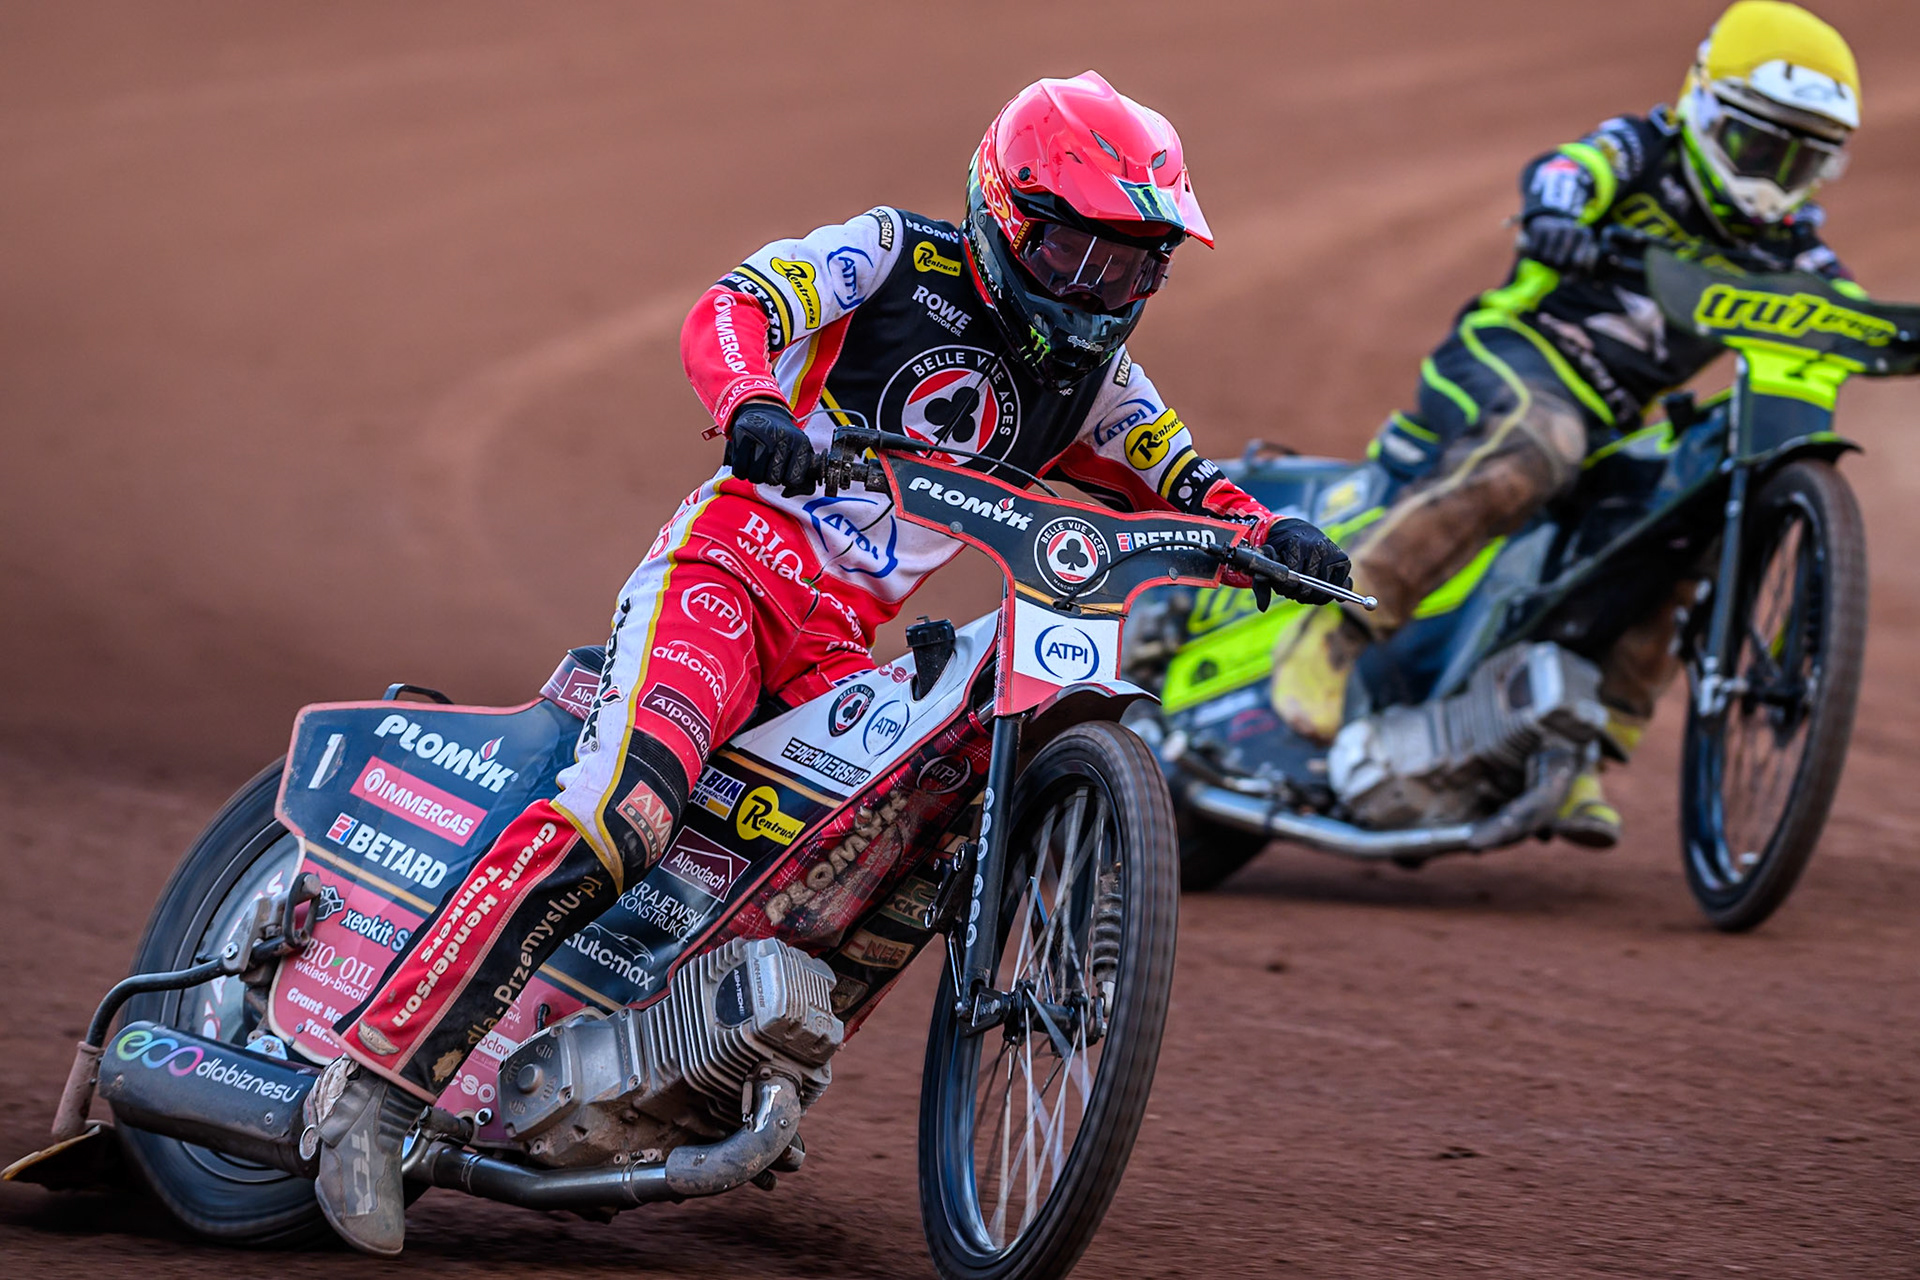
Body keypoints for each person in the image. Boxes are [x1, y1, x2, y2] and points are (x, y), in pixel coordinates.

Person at [306, 70, 1350, 1254]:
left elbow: (1186, 478)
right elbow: (737, 304)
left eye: (1134, 265)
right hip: (731, 570)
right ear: (1009, 218)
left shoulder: (1094, 382)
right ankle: (373, 1085)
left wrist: (1270, 535)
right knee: (627, 814)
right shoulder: (894, 256)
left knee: (886, 838)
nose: (1104, 288)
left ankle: (707, 1059)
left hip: (835, 644)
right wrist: (751, 400)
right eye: (1081, 252)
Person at [1269, 0, 1864, 846]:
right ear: (1704, 106)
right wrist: (1559, 219)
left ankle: (1578, 739)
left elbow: (1847, 309)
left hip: (1617, 422)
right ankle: (1334, 628)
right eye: (1759, 145)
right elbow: (1565, 171)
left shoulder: (1792, 243)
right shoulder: (1645, 151)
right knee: (1540, 448)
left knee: (1686, 506)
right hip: (1514, 358)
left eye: (1804, 161)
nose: (1774, 176)